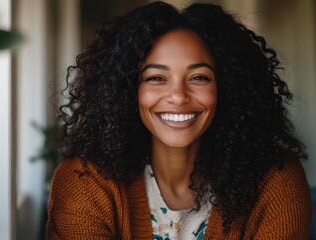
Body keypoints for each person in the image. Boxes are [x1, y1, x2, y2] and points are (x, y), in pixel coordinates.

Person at [45, 1, 312, 239]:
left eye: (199, 78)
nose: (178, 96)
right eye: (156, 78)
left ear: (226, 88)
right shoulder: (85, 181)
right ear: (128, 91)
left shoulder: (275, 180)